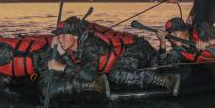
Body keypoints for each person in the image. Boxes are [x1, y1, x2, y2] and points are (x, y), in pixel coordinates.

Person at [43, 17, 181, 97]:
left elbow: (89, 75)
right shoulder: (73, 46)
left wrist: (62, 66)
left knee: (116, 74)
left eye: (64, 35)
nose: (60, 39)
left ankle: (166, 80)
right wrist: (63, 54)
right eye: (58, 35)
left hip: (136, 48)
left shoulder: (90, 45)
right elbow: (78, 68)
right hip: (124, 54)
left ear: (75, 36)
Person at [0, 31, 107, 98]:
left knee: (47, 91)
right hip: (39, 56)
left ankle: (93, 83)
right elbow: (0, 74)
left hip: (43, 58)